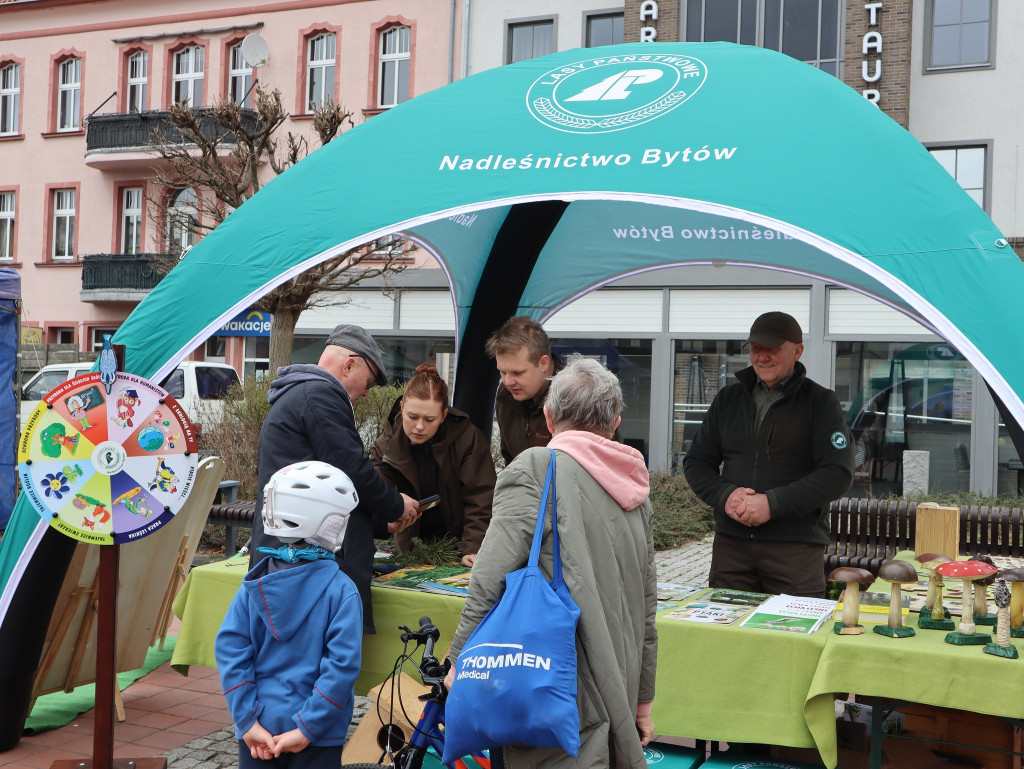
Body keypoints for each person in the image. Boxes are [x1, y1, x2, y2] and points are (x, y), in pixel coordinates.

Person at [446, 355, 658, 769]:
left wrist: (457, 658)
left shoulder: (536, 467)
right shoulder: (636, 490)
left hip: (555, 685)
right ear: (615, 423)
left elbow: (489, 577)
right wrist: (643, 702)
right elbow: (647, 609)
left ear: (548, 415)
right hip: (618, 683)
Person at [248, 324, 419, 632]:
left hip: (291, 553)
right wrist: (396, 505)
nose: (367, 392)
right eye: (368, 381)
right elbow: (351, 471)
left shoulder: (301, 392)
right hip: (308, 562)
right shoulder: (321, 393)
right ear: (349, 363)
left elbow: (324, 491)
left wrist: (381, 524)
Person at [683, 311, 854, 598]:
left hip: (795, 549)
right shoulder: (728, 399)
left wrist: (771, 504)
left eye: (772, 348)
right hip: (731, 547)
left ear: (798, 351)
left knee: (793, 638)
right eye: (756, 348)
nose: (762, 357)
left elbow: (838, 474)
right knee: (727, 636)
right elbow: (697, 462)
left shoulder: (821, 402)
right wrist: (726, 497)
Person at [216, 461, 363, 769]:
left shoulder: (254, 585)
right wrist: (307, 728)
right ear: (328, 523)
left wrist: (247, 720)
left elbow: (231, 649)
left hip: (258, 731)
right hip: (317, 737)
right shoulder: (342, 591)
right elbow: (342, 667)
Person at [370, 364, 496, 567]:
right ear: (402, 407)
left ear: (444, 416)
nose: (419, 426)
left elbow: (481, 498)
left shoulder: (468, 439)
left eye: (430, 419)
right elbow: (373, 491)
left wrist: (472, 548)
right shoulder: (386, 445)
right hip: (411, 546)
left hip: (460, 544)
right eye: (412, 417)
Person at [485, 316, 561, 465]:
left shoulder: (579, 397)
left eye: (517, 373)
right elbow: (509, 460)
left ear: (543, 363)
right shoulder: (505, 395)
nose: (507, 382)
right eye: (503, 372)